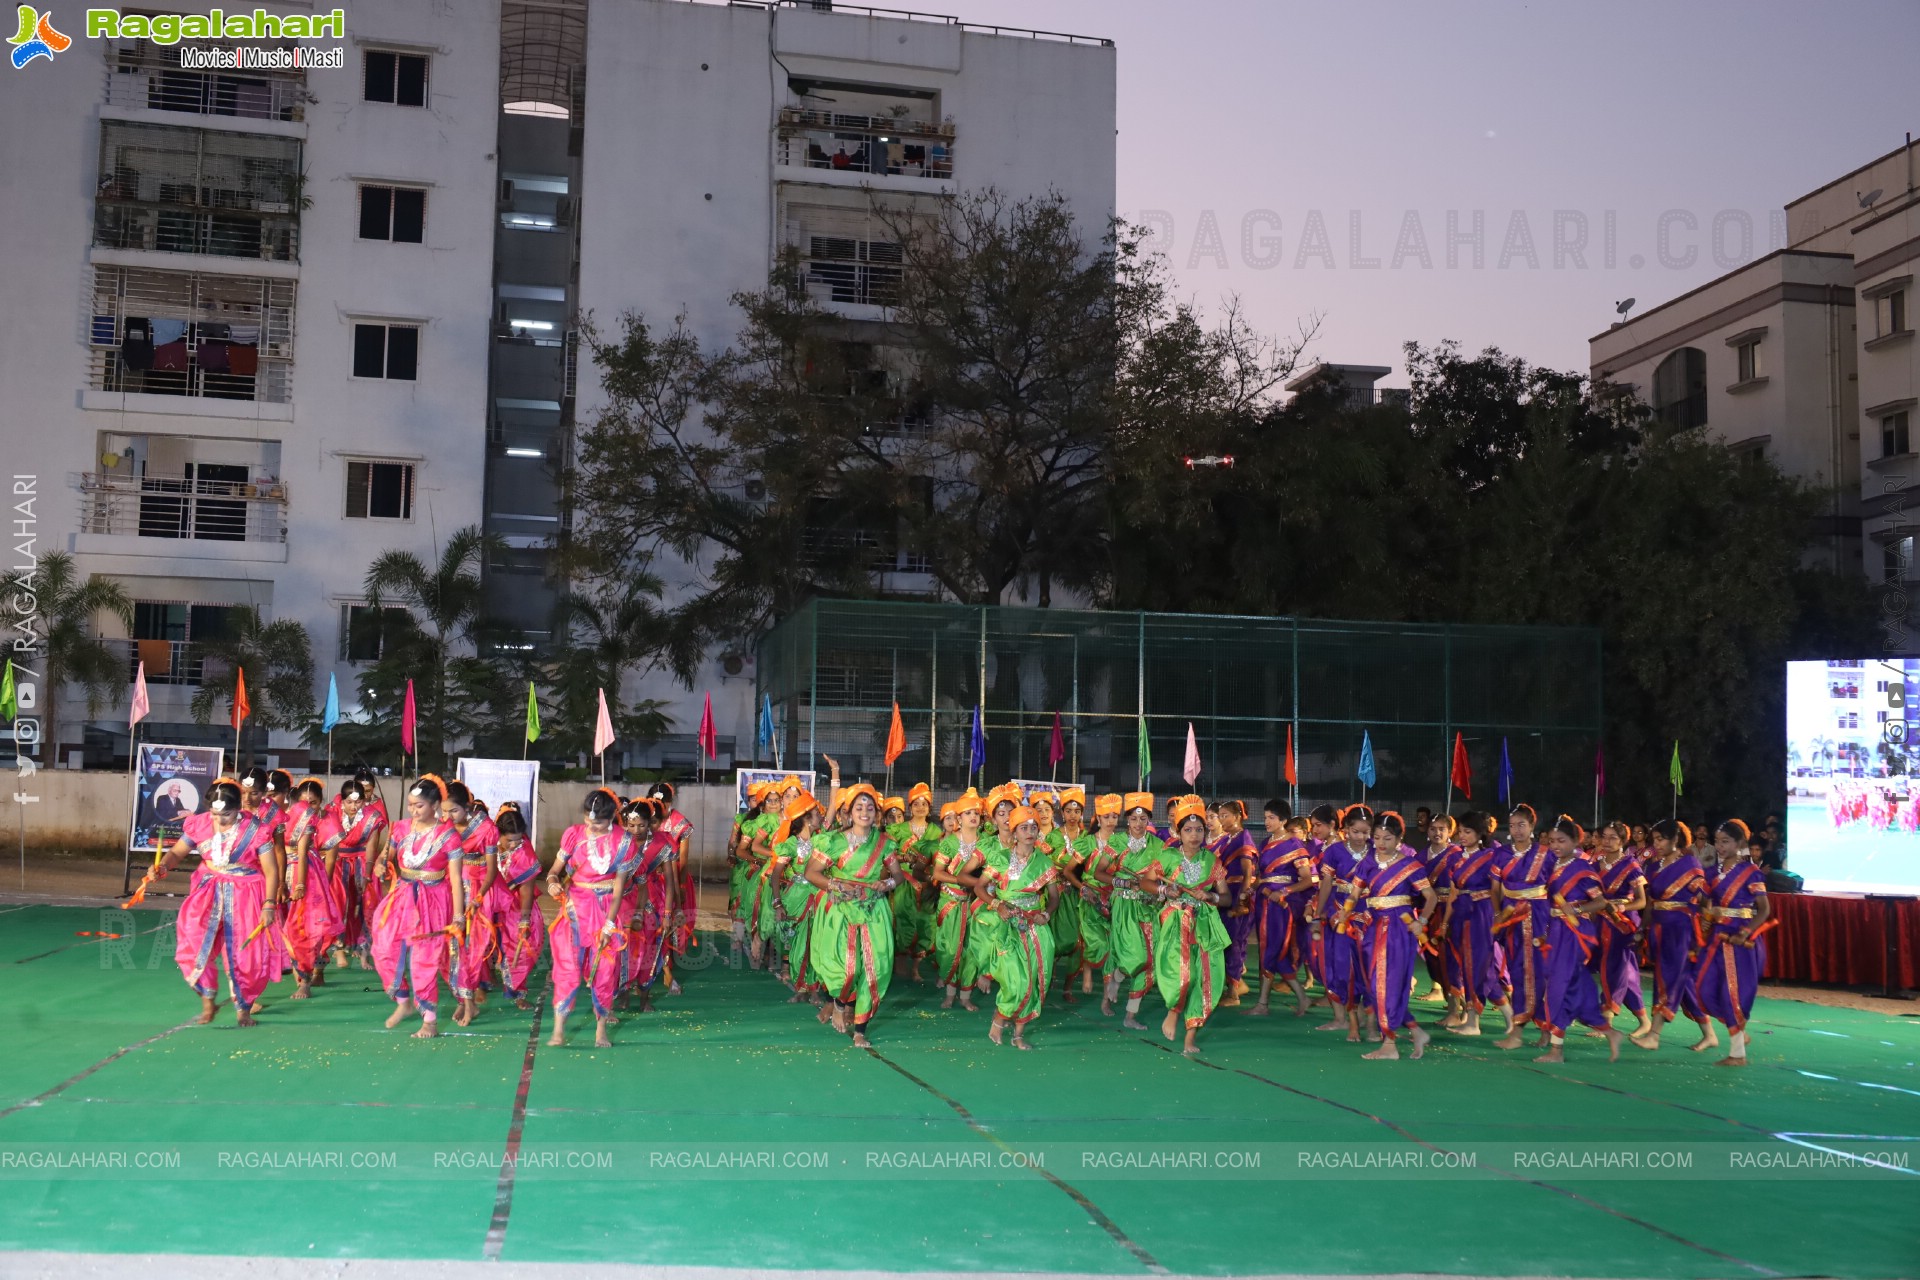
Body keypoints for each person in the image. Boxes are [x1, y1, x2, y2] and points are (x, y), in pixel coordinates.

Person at [141, 777, 282, 1027]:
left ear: (238, 808)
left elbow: (271, 870)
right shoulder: (200, 824)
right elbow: (177, 853)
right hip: (208, 891)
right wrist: (162, 867)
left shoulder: (257, 830)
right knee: (192, 940)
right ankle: (208, 997)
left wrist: (269, 904)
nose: (220, 820)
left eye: (226, 814)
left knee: (245, 954)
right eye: (215, 814)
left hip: (246, 894)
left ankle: (243, 1008)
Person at [1503, 816, 1623, 1063]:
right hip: (1555, 930)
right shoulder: (1553, 865)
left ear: (1576, 841)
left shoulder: (1582, 869)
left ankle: (1556, 1050)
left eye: (1562, 841)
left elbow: (1600, 902)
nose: (1556, 845)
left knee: (1558, 986)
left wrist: (1576, 909)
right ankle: (1608, 1031)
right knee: (1575, 986)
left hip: (1574, 934)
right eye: (1552, 841)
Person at [805, 784, 902, 1047]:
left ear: (877, 814)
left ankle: (860, 1029)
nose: (865, 811)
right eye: (859, 807)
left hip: (873, 909)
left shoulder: (884, 843)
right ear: (848, 812)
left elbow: (898, 877)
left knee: (875, 969)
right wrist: (837, 886)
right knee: (847, 967)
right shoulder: (834, 841)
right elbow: (811, 873)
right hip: (841, 909)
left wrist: (885, 884)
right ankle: (838, 1003)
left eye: (870, 807)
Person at [369, 775, 466, 1039]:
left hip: (433, 901)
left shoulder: (449, 836)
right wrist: (380, 865)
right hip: (401, 897)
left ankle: (430, 1020)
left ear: (435, 805)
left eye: (419, 805)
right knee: (384, 949)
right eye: (410, 805)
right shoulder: (400, 828)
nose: (413, 810)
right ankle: (404, 1002)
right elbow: (386, 856)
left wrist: (458, 916)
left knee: (424, 959)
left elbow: (456, 879)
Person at [1141, 795, 1231, 1056]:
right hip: (1175, 922)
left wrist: (1211, 896)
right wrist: (1164, 889)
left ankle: (1191, 1035)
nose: (1194, 835)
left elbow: (1226, 897)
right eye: (1188, 830)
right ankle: (1173, 1011)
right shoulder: (1167, 856)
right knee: (1182, 974)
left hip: (1205, 925)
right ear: (1179, 832)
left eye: (1199, 829)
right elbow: (1145, 882)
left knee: (1205, 977)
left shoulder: (1212, 861)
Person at [546, 788, 633, 1048]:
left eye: (598, 823)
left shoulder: (624, 842)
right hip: (574, 910)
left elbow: (619, 890)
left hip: (606, 911)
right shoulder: (573, 835)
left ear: (612, 817)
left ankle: (600, 1030)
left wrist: (609, 926)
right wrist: (552, 883)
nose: (591, 827)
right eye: (588, 820)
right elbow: (553, 871)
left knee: (604, 970)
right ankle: (558, 1030)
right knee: (567, 967)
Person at [1349, 811, 1437, 1061]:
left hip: (1399, 929)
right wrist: (1345, 913)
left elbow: (1431, 897)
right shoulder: (1367, 862)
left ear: (1399, 839)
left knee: (1388, 984)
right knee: (1373, 984)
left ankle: (1389, 1043)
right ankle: (1415, 1030)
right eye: (1377, 838)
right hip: (1373, 927)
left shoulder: (1410, 866)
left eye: (1387, 838)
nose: (1381, 843)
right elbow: (1355, 894)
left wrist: (1422, 921)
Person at [1692, 819, 1772, 1067]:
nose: (1720, 846)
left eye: (1725, 842)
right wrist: (1706, 909)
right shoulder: (1711, 872)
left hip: (1739, 941)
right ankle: (1737, 1028)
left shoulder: (1751, 872)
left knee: (1733, 992)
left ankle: (1737, 1054)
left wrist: (1746, 932)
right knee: (1704, 987)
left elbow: (1764, 909)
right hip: (1717, 937)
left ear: (1739, 844)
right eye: (1717, 842)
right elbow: (1703, 901)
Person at [981, 804, 1059, 1049]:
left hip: (1035, 928)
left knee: (1034, 979)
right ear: (1014, 831)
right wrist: (997, 904)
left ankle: (1018, 1034)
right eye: (1023, 828)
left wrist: (1046, 913)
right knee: (1016, 981)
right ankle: (999, 1019)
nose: (1029, 832)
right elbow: (979, 887)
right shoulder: (1001, 859)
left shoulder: (1044, 862)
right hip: (1008, 926)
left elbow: (1054, 897)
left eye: (1033, 828)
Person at [1631, 819, 1712, 1052]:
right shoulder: (1655, 867)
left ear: (1675, 839)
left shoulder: (1689, 864)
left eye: (1660, 839)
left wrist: (1703, 929)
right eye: (1654, 840)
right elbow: (1651, 903)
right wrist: (1642, 929)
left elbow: (1705, 899)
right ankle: (1709, 1034)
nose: (1656, 844)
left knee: (1668, 980)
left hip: (1681, 931)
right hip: (1660, 929)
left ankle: (1654, 1035)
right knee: (1682, 983)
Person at [1438, 811, 1512, 1036]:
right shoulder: (1455, 858)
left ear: (1480, 834)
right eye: (1460, 831)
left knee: (1477, 965)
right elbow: (1453, 893)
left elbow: (1499, 890)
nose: (1462, 836)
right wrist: (1445, 923)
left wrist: (1499, 916)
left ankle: (1473, 1022)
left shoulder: (1491, 857)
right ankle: (1509, 1016)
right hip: (1461, 914)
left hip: (1482, 914)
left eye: (1467, 832)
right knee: (1474, 967)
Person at [1490, 804, 1554, 1047]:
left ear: (1532, 826)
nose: (1516, 830)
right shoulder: (1501, 854)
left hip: (1538, 918)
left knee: (1539, 975)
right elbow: (1495, 889)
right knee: (1517, 973)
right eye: (1512, 825)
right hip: (1511, 919)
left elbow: (1555, 888)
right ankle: (1519, 1032)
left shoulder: (1545, 854)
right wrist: (1498, 914)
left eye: (1522, 825)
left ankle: (1542, 1031)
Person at [1310, 805, 1374, 1041]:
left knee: (1367, 967)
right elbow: (1326, 884)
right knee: (1340, 966)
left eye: (1365, 832)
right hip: (1339, 915)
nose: (1361, 837)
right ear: (1346, 829)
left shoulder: (1376, 851)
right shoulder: (1335, 851)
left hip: (1368, 915)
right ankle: (1341, 1018)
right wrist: (1318, 914)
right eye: (1356, 831)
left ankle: (1369, 1021)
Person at [1248, 801, 1314, 1018]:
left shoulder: (1295, 845)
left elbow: (1306, 880)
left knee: (1273, 949)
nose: (1266, 821)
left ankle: (1263, 1004)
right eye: (1265, 817)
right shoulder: (1265, 843)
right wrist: (1253, 887)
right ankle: (1302, 998)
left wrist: (1284, 891)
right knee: (1273, 951)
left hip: (1281, 906)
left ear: (1283, 820)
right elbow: (1262, 876)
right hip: (1264, 901)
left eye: (1271, 818)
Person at [1107, 792, 1167, 1030]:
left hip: (1149, 906)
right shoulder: (1117, 842)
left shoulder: (1159, 846)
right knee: (1135, 957)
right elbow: (1100, 872)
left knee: (1150, 962)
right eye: (1133, 819)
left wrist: (1160, 892)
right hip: (1124, 906)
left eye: (1143, 819)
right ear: (1127, 820)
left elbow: (1164, 876)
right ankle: (1118, 975)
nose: (1138, 824)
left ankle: (1130, 1015)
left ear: (1149, 820)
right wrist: (1123, 882)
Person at [281, 777, 343, 1000]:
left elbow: (330, 858)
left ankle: (307, 978)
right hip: (284, 874)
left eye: (314, 802)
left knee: (308, 928)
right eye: (304, 801)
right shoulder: (287, 817)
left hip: (311, 878)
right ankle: (300, 973)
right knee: (286, 928)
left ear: (321, 801)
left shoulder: (327, 820)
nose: (309, 806)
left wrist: (323, 888)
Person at [315, 776, 387, 970]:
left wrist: (367, 874)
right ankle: (339, 948)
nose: (354, 806)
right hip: (337, 860)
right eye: (349, 802)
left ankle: (364, 951)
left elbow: (371, 847)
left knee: (367, 904)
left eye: (358, 802)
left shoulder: (373, 816)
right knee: (339, 903)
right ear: (342, 800)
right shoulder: (332, 812)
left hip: (363, 861)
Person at [444, 782, 499, 1028]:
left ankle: (469, 1002)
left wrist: (478, 898)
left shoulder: (487, 829)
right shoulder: (443, 826)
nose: (447, 817)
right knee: (451, 948)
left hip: (477, 892)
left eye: (453, 811)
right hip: (450, 890)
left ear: (467, 807)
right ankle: (463, 1000)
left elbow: (491, 870)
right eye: (444, 811)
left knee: (471, 948)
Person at [1591, 819, 1650, 1039]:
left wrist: (1621, 907)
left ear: (1623, 841)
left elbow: (1642, 901)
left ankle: (1606, 1020)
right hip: (1600, 923)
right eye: (1604, 837)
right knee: (1627, 974)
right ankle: (1644, 1020)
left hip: (1622, 924)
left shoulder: (1630, 865)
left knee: (1614, 969)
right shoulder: (1596, 864)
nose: (1607, 841)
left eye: (1613, 838)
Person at [485, 803, 544, 1009]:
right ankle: (481, 983)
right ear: (498, 834)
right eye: (509, 840)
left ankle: (518, 991)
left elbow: (527, 890)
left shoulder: (525, 853)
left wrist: (524, 921)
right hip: (489, 901)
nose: (514, 845)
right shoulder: (488, 844)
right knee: (481, 942)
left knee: (520, 948)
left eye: (518, 839)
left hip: (517, 906)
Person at [932, 792, 987, 1009]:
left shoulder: (986, 843)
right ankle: (949, 992)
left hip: (976, 902)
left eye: (976, 813)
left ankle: (965, 996)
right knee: (949, 949)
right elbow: (937, 873)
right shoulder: (949, 843)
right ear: (959, 818)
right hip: (951, 902)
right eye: (968, 813)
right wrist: (961, 880)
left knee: (972, 949)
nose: (973, 817)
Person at [1071, 793, 1126, 1005]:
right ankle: (1087, 967)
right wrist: (1083, 888)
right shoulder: (1087, 843)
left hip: (1113, 899)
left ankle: (1106, 996)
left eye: (1114, 816)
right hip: (1090, 899)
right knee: (1098, 943)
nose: (1111, 821)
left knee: (1112, 945)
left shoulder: (1121, 842)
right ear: (1098, 818)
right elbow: (1068, 871)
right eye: (1106, 816)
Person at [1211, 800, 1259, 1006]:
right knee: (1226, 940)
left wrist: (1242, 900)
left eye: (1225, 815)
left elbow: (1248, 872)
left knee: (1235, 942)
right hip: (1226, 894)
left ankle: (1233, 992)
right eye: (1219, 816)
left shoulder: (1243, 838)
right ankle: (1234, 986)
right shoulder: (1228, 839)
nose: (1221, 820)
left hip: (1238, 894)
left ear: (1237, 817)